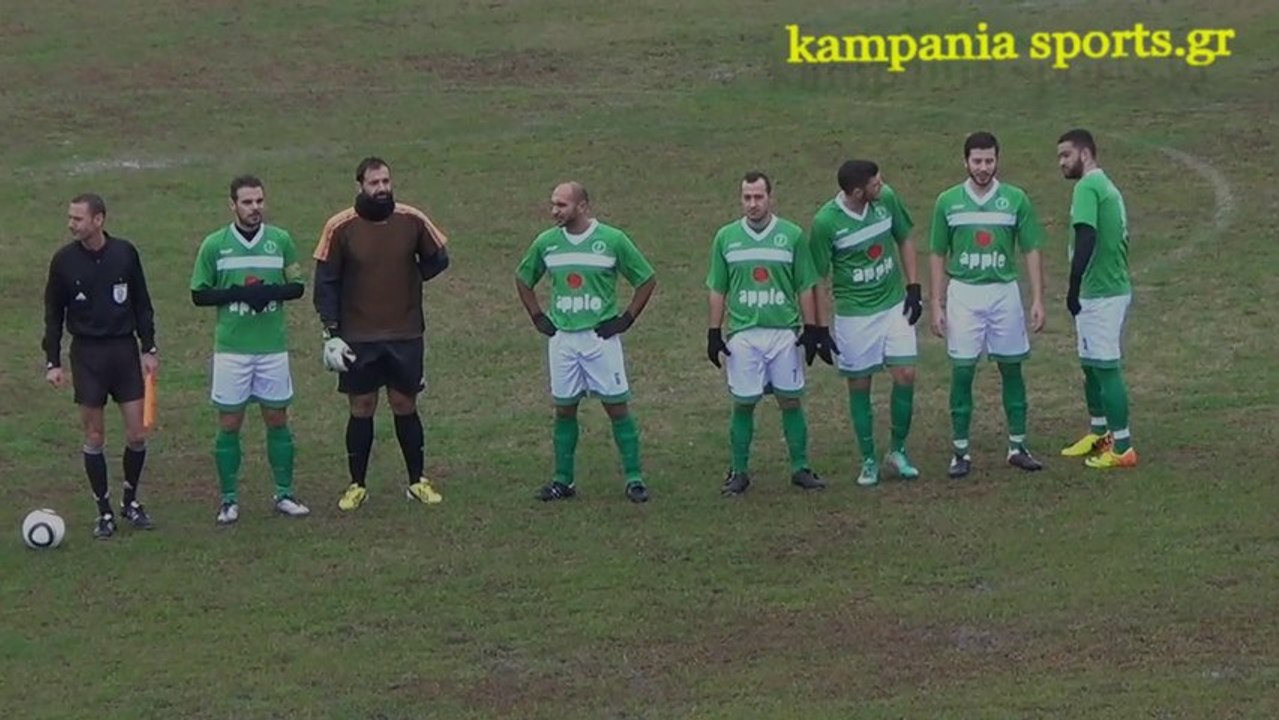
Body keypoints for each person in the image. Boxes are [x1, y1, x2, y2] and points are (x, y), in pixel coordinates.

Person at [312, 157, 451, 510]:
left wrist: (410, 276)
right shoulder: (340, 226)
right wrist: (332, 331)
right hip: (358, 336)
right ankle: (356, 484)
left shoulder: (412, 219)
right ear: (359, 185)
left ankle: (417, 481)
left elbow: (439, 257)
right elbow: (325, 282)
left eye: (386, 181)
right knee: (362, 406)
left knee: (405, 404)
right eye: (374, 183)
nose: (382, 189)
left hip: (405, 333)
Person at [515, 181, 656, 503]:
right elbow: (523, 278)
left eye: (561, 205)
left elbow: (646, 279)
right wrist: (537, 316)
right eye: (553, 204)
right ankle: (562, 481)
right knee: (564, 409)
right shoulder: (547, 243)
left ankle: (635, 479)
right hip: (563, 341)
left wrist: (626, 319)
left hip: (599, 339)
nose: (554, 211)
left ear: (582, 207)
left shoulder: (612, 240)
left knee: (617, 407)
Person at [190, 175, 311, 524]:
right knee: (230, 422)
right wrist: (239, 294)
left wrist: (269, 292)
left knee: (277, 418)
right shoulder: (215, 245)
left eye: (259, 201)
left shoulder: (280, 241)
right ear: (233, 205)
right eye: (247, 202)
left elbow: (297, 287)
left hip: (272, 348)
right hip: (232, 350)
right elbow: (199, 293)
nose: (255, 208)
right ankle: (229, 499)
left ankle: (284, 494)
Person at [929, 131, 1047, 478]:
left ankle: (1018, 446)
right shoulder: (947, 201)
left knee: (1012, 367)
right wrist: (936, 304)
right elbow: (937, 253)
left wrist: (1038, 297)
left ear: (998, 160)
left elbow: (1031, 249)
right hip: (964, 294)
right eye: (977, 161)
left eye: (989, 161)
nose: (983, 168)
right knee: (963, 370)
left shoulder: (1015, 199)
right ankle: (960, 451)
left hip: (1003, 293)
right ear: (965, 161)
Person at [705, 171, 831, 496]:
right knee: (744, 403)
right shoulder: (726, 237)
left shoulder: (791, 235)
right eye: (747, 197)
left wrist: (812, 327)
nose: (752, 204)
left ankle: (800, 468)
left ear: (770, 198)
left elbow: (805, 284)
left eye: (758, 197)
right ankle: (739, 470)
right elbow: (717, 288)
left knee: (790, 400)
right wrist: (714, 332)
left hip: (783, 333)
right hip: (744, 334)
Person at [42, 193, 158, 539]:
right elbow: (53, 314)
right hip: (88, 355)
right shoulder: (63, 261)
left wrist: (148, 347)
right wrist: (53, 361)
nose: (71, 224)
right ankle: (103, 509)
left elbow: (142, 302)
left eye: (78, 218)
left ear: (99, 220)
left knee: (137, 433)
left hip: (123, 351)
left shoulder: (124, 253)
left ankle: (130, 500)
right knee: (94, 435)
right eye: (70, 217)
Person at [809, 160, 923, 487]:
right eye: (875, 184)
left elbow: (905, 237)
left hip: (892, 307)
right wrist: (818, 327)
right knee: (860, 385)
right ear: (858, 192)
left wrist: (913, 288)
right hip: (855, 315)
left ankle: (898, 451)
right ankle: (869, 459)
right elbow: (817, 276)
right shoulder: (826, 222)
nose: (882, 185)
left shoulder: (886, 199)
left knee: (906, 373)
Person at [1056, 129, 1137, 468]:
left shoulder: (1087, 186)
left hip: (1101, 293)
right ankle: (1100, 433)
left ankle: (1122, 448)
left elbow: (1086, 236)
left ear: (1085, 154)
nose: (1061, 163)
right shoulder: (1106, 186)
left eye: (1066, 155)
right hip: (1104, 290)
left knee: (1105, 367)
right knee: (1090, 365)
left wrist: (1073, 287)